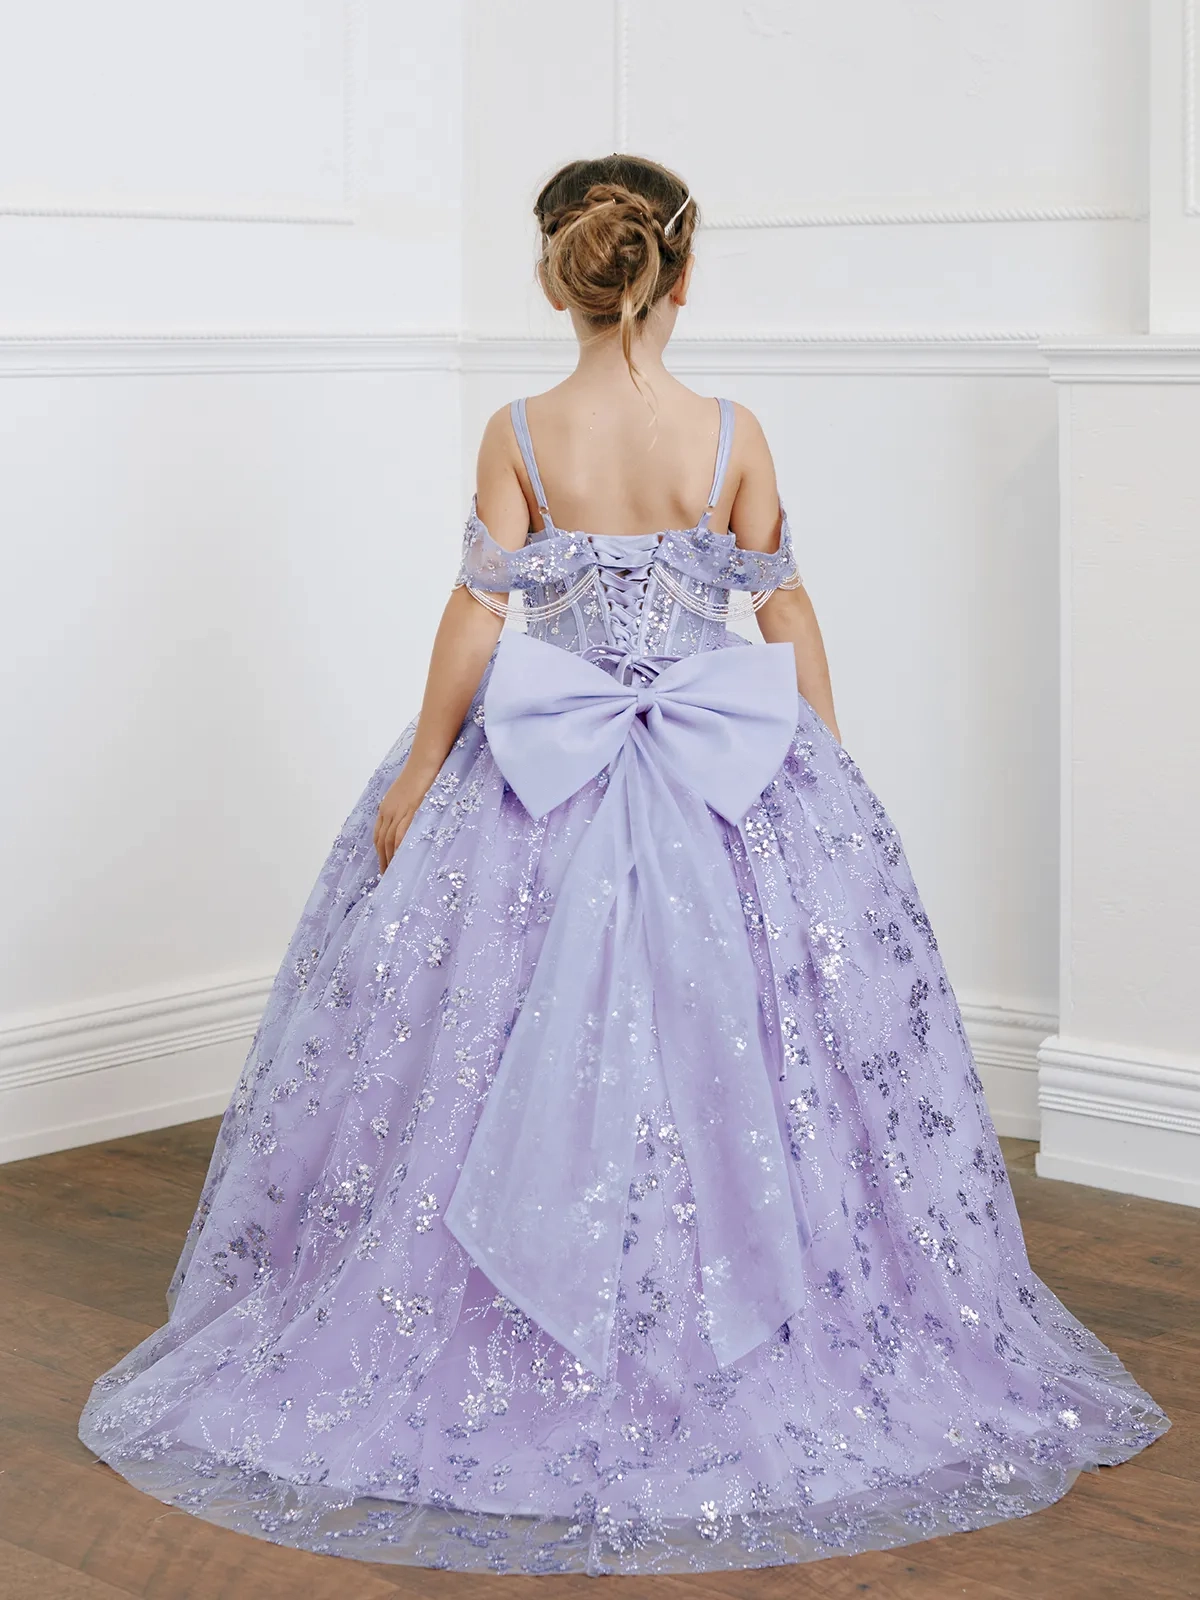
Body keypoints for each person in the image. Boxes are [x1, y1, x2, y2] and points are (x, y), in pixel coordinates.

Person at [79, 154, 1167, 1577]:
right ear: (682, 274)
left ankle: (502, 1316)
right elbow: (782, 604)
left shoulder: (521, 431)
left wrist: (419, 774)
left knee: (489, 1052)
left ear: (560, 278)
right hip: (720, 772)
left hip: (536, 771)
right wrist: (825, 765)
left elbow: (479, 613)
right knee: (737, 1053)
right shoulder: (731, 433)